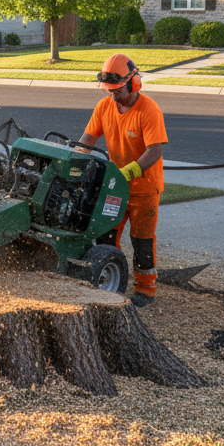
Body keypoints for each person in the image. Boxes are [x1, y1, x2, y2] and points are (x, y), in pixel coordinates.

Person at [77, 53, 168, 307]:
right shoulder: (104, 106)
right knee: (105, 233)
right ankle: (108, 280)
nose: (112, 95)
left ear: (133, 83)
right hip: (115, 186)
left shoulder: (149, 110)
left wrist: (129, 171)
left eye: (117, 90)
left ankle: (145, 290)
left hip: (144, 188)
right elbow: (87, 140)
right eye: (109, 90)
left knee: (141, 240)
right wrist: (74, 157)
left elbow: (155, 150)